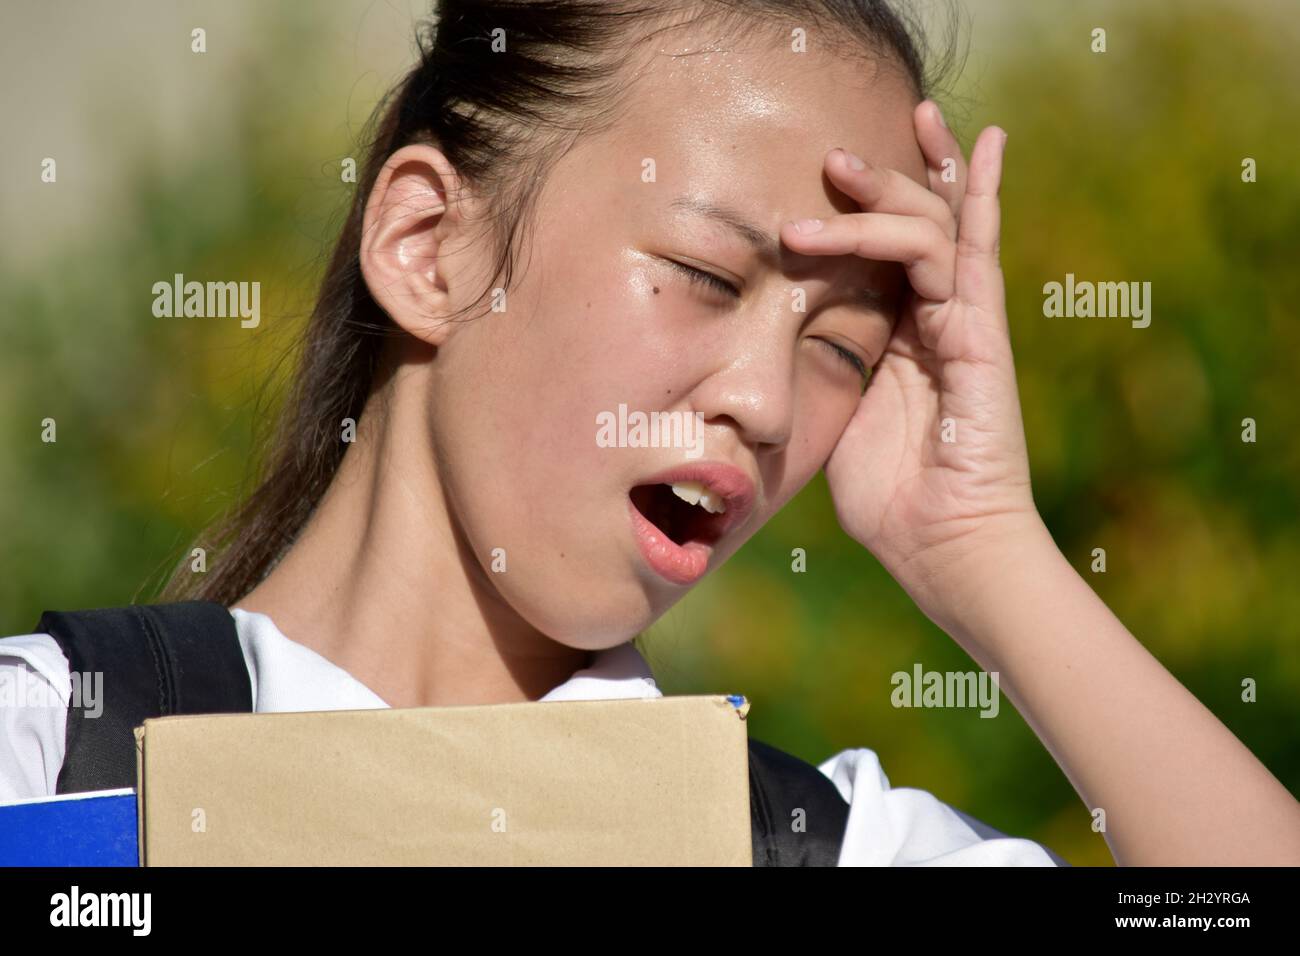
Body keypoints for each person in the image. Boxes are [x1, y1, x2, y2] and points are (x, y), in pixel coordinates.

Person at [3, 0, 1297, 866]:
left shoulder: (813, 846)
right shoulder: (51, 760)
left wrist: (986, 544)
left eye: (841, 349)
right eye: (705, 275)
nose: (770, 403)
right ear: (424, 245)